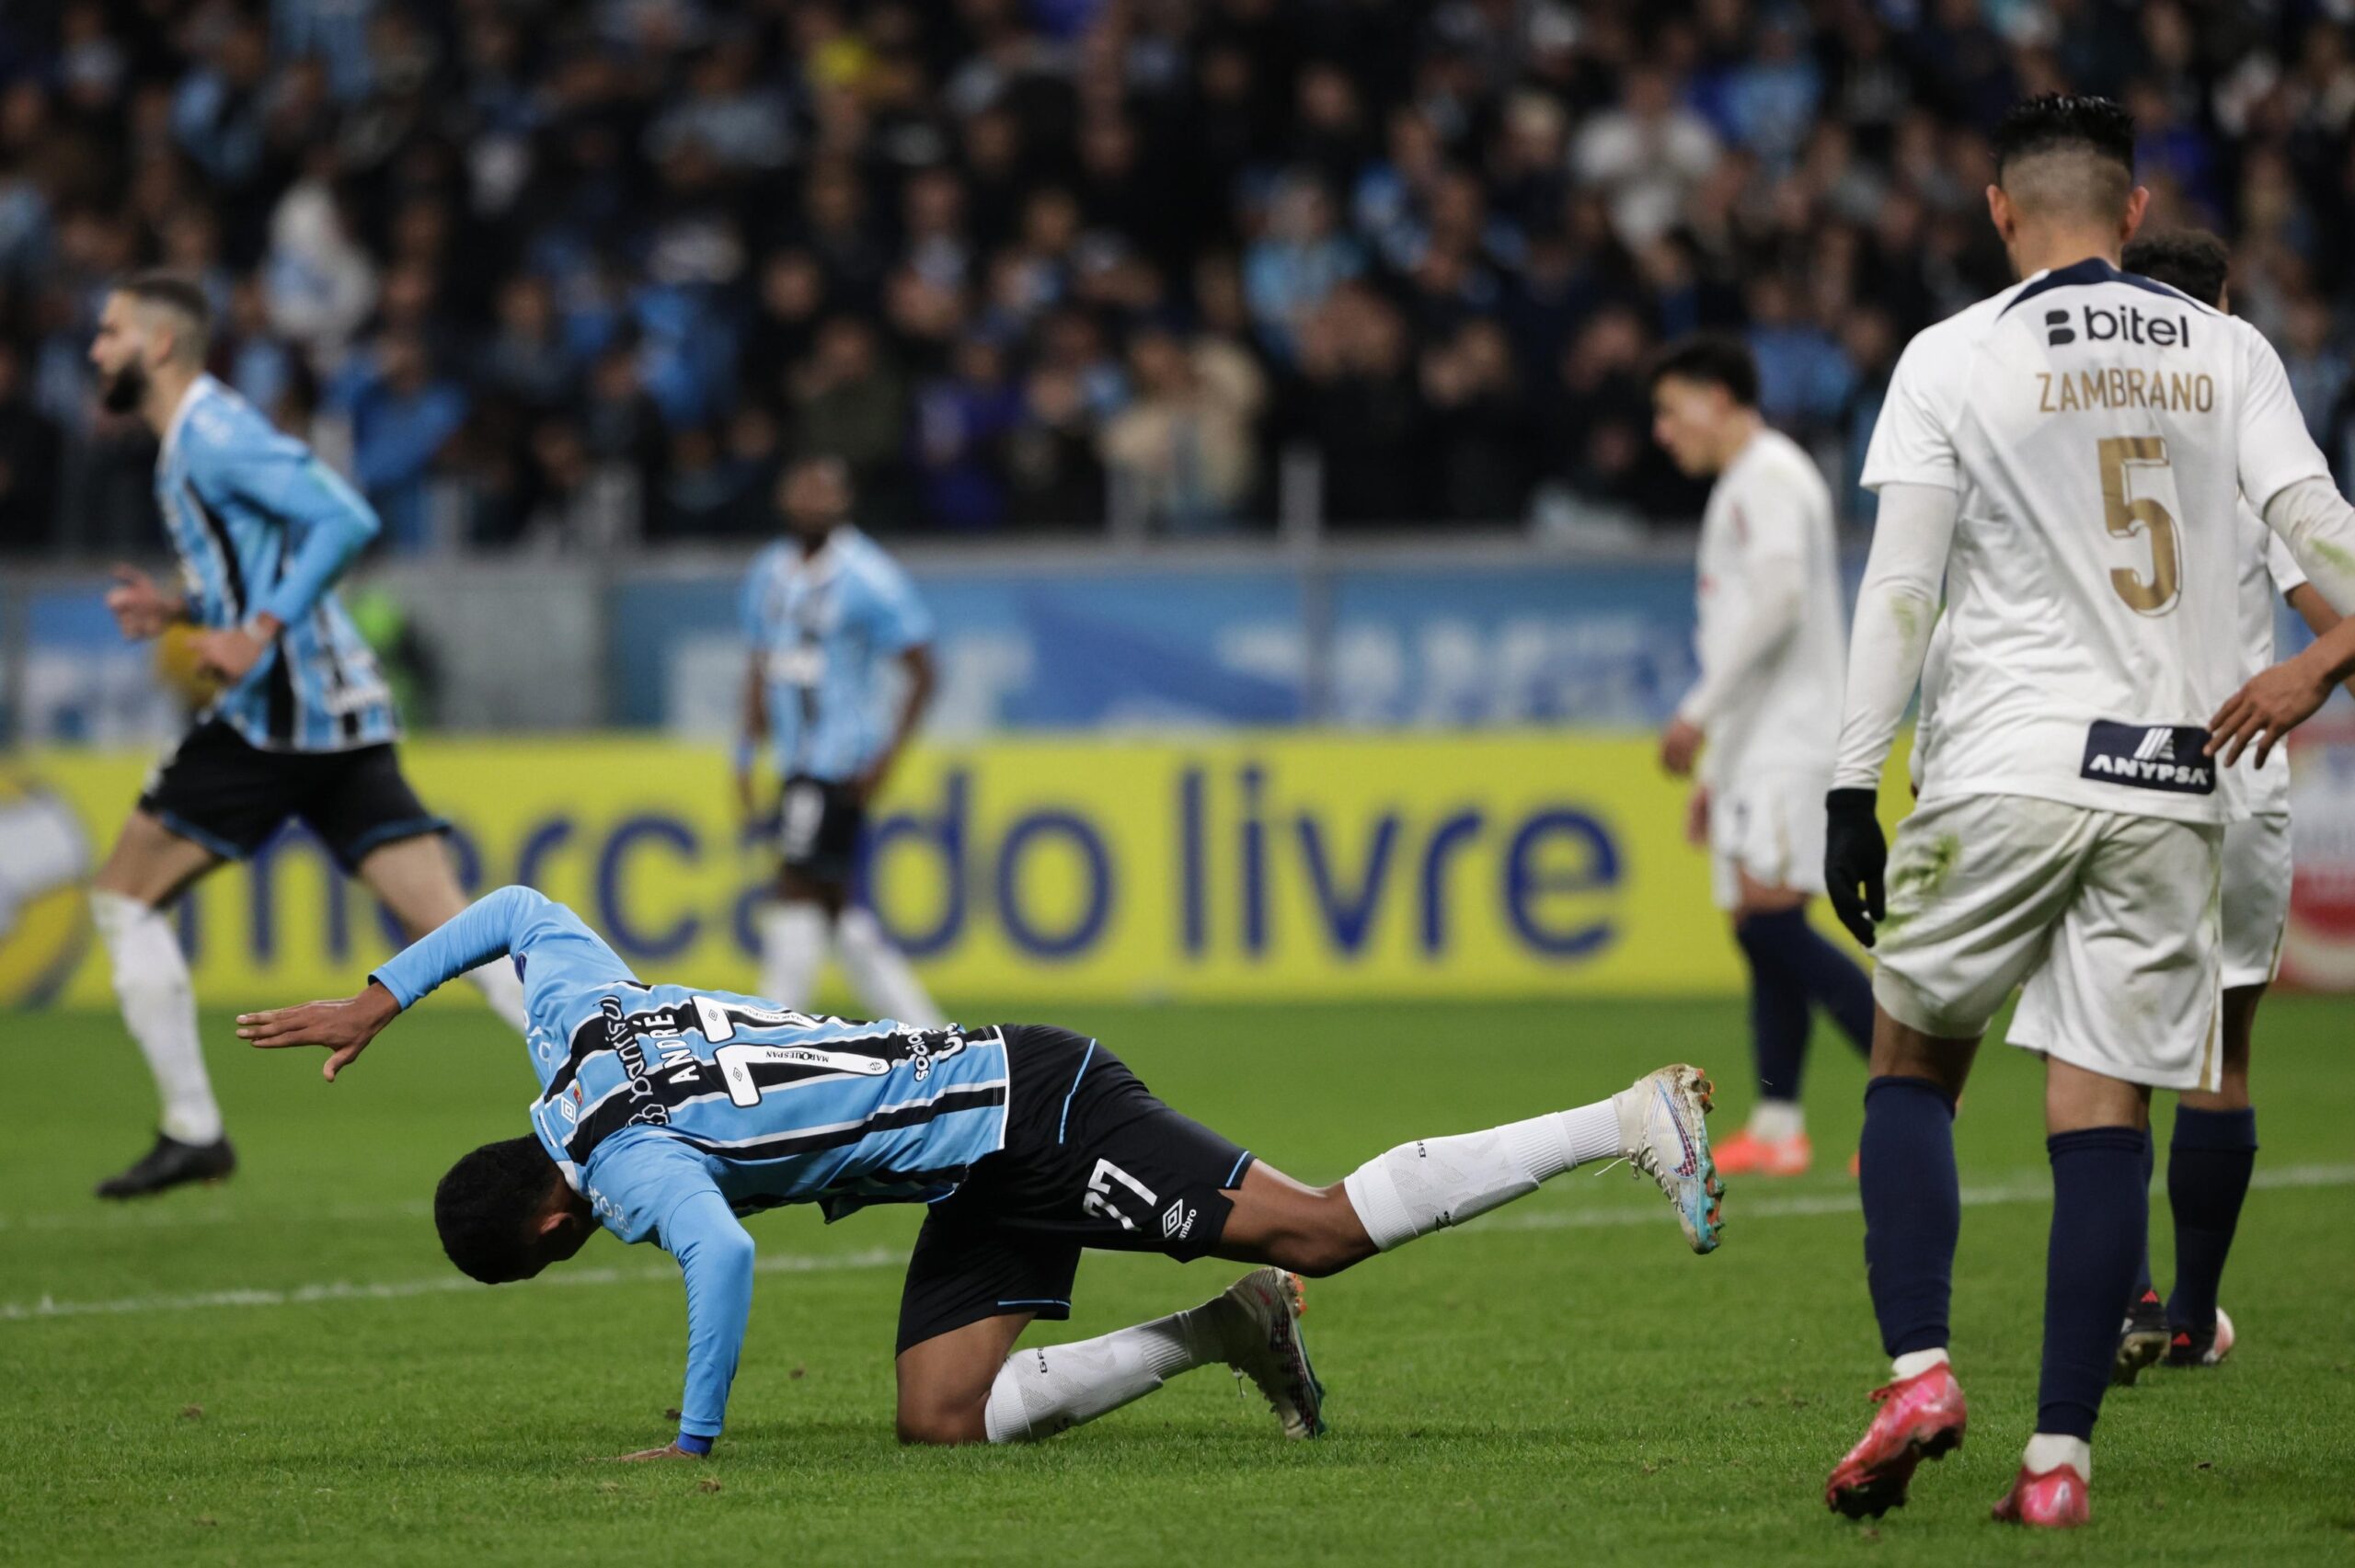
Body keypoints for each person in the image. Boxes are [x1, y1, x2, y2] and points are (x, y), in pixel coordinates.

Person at [234, 884, 1725, 1456]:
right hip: (968, 1161)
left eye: (557, 1253)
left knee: (1320, 1226)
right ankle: (1227, 1328)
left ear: (554, 1219)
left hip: (1037, 1107)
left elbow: (725, 1254)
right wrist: (384, 994)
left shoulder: (623, 1167)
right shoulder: (574, 1027)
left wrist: (693, 1442)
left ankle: (1625, 1117)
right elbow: (518, 906)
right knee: (938, 1419)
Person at [1820, 96, 2355, 1528]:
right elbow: (2331, 544)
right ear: (2134, 213)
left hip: (2003, 763)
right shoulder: (2231, 351)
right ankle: (2060, 1464)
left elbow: (1902, 588)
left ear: (2000, 211)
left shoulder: (1955, 354)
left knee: (1910, 1065)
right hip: (2173, 783)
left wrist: (1852, 780)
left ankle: (1920, 1372)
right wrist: (2320, 665)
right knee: (2104, 1108)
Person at [83, 270, 528, 1198]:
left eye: (111, 331)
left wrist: (255, 632)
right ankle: (628, 1066)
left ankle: (194, 1127)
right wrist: (183, 609)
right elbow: (264, 563)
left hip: (276, 717)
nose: (96, 349)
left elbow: (346, 517)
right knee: (453, 927)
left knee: (123, 896)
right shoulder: (197, 436)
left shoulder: (212, 432)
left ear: (159, 344)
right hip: (334, 714)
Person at [2105, 230, 2351, 1381]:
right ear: (2223, 310)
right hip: (2228, 761)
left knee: (2100, 1053)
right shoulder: (2247, 426)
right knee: (2221, 1048)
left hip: (2096, 769)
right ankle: (2191, 1317)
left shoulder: (2064, 433)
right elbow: (2331, 599)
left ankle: (2128, 1296)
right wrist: (2317, 666)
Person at [1650, 335, 1872, 1176]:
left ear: (1716, 397)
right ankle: (1779, 1124)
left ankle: (1914, 1074)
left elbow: (1779, 603)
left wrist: (1697, 713)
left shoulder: (1771, 476)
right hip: (1756, 743)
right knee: (1755, 923)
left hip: (1790, 734)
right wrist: (1717, 769)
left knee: (1774, 920)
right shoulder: (1745, 484)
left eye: (1671, 410)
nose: (1663, 431)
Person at [736, 454, 944, 1025]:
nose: (812, 502)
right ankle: (930, 1035)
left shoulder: (869, 576)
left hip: (839, 759)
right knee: (833, 903)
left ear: (845, 501)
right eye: (802, 490)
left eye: (824, 492)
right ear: (783, 497)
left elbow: (924, 670)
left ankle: (771, 1035)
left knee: (795, 886)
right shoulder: (768, 572)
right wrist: (745, 753)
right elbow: (760, 663)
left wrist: (886, 759)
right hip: (795, 759)